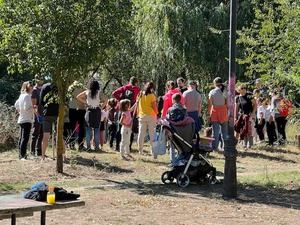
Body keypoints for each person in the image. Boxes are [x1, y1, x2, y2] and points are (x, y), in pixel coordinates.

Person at [112, 76, 141, 150]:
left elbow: (114, 93)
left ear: (129, 81)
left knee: (120, 127)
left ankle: (117, 146)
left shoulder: (124, 87)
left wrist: (121, 100)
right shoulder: (137, 89)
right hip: (131, 111)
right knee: (130, 128)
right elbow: (139, 99)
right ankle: (129, 147)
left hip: (122, 110)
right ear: (136, 82)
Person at [77, 79, 101, 151]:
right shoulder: (99, 92)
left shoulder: (87, 92)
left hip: (89, 110)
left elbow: (78, 97)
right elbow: (106, 99)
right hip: (97, 110)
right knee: (96, 129)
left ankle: (88, 147)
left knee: (88, 129)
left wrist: (86, 102)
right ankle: (97, 147)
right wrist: (101, 107)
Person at [137, 82, 158, 155]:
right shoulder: (152, 96)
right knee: (152, 134)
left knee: (141, 134)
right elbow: (154, 107)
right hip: (151, 116)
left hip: (142, 116)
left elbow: (137, 104)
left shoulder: (140, 94)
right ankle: (153, 151)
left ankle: (140, 151)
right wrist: (157, 114)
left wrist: (137, 113)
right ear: (152, 88)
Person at [208, 77, 228, 151]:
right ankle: (225, 147)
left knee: (215, 131)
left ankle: (215, 147)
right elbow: (227, 102)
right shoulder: (225, 91)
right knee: (225, 132)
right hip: (223, 111)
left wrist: (208, 114)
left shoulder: (212, 92)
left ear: (214, 83)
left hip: (215, 112)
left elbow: (210, 104)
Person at [15, 81, 34, 160]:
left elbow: (16, 105)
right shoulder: (27, 96)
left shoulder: (21, 95)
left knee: (22, 138)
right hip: (26, 119)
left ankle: (21, 155)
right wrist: (34, 107)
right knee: (25, 138)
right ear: (27, 87)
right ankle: (22, 156)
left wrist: (20, 111)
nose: (32, 87)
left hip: (22, 118)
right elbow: (27, 108)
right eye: (31, 85)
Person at [40, 82, 59, 160]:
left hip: (47, 113)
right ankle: (63, 156)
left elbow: (41, 101)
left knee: (45, 136)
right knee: (59, 136)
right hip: (57, 113)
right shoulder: (59, 85)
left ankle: (43, 157)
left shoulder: (44, 86)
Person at [234, 84, 257, 149]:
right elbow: (236, 108)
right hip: (241, 115)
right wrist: (235, 117)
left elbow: (255, 104)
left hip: (249, 115)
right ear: (239, 90)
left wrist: (252, 113)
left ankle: (250, 145)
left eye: (245, 88)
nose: (244, 89)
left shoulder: (249, 95)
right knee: (240, 129)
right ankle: (239, 144)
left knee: (248, 129)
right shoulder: (238, 97)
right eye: (242, 88)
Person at [67, 81, 86, 150]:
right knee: (81, 127)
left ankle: (71, 143)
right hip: (81, 108)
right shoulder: (83, 87)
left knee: (72, 126)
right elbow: (85, 96)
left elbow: (68, 97)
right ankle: (80, 144)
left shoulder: (70, 87)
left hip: (72, 108)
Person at [31, 75, 44, 156]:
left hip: (44, 114)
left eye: (42, 78)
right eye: (40, 78)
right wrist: (38, 115)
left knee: (42, 133)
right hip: (37, 115)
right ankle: (32, 152)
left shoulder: (43, 89)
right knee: (35, 133)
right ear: (36, 80)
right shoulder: (35, 90)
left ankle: (39, 151)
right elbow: (34, 105)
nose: (41, 80)